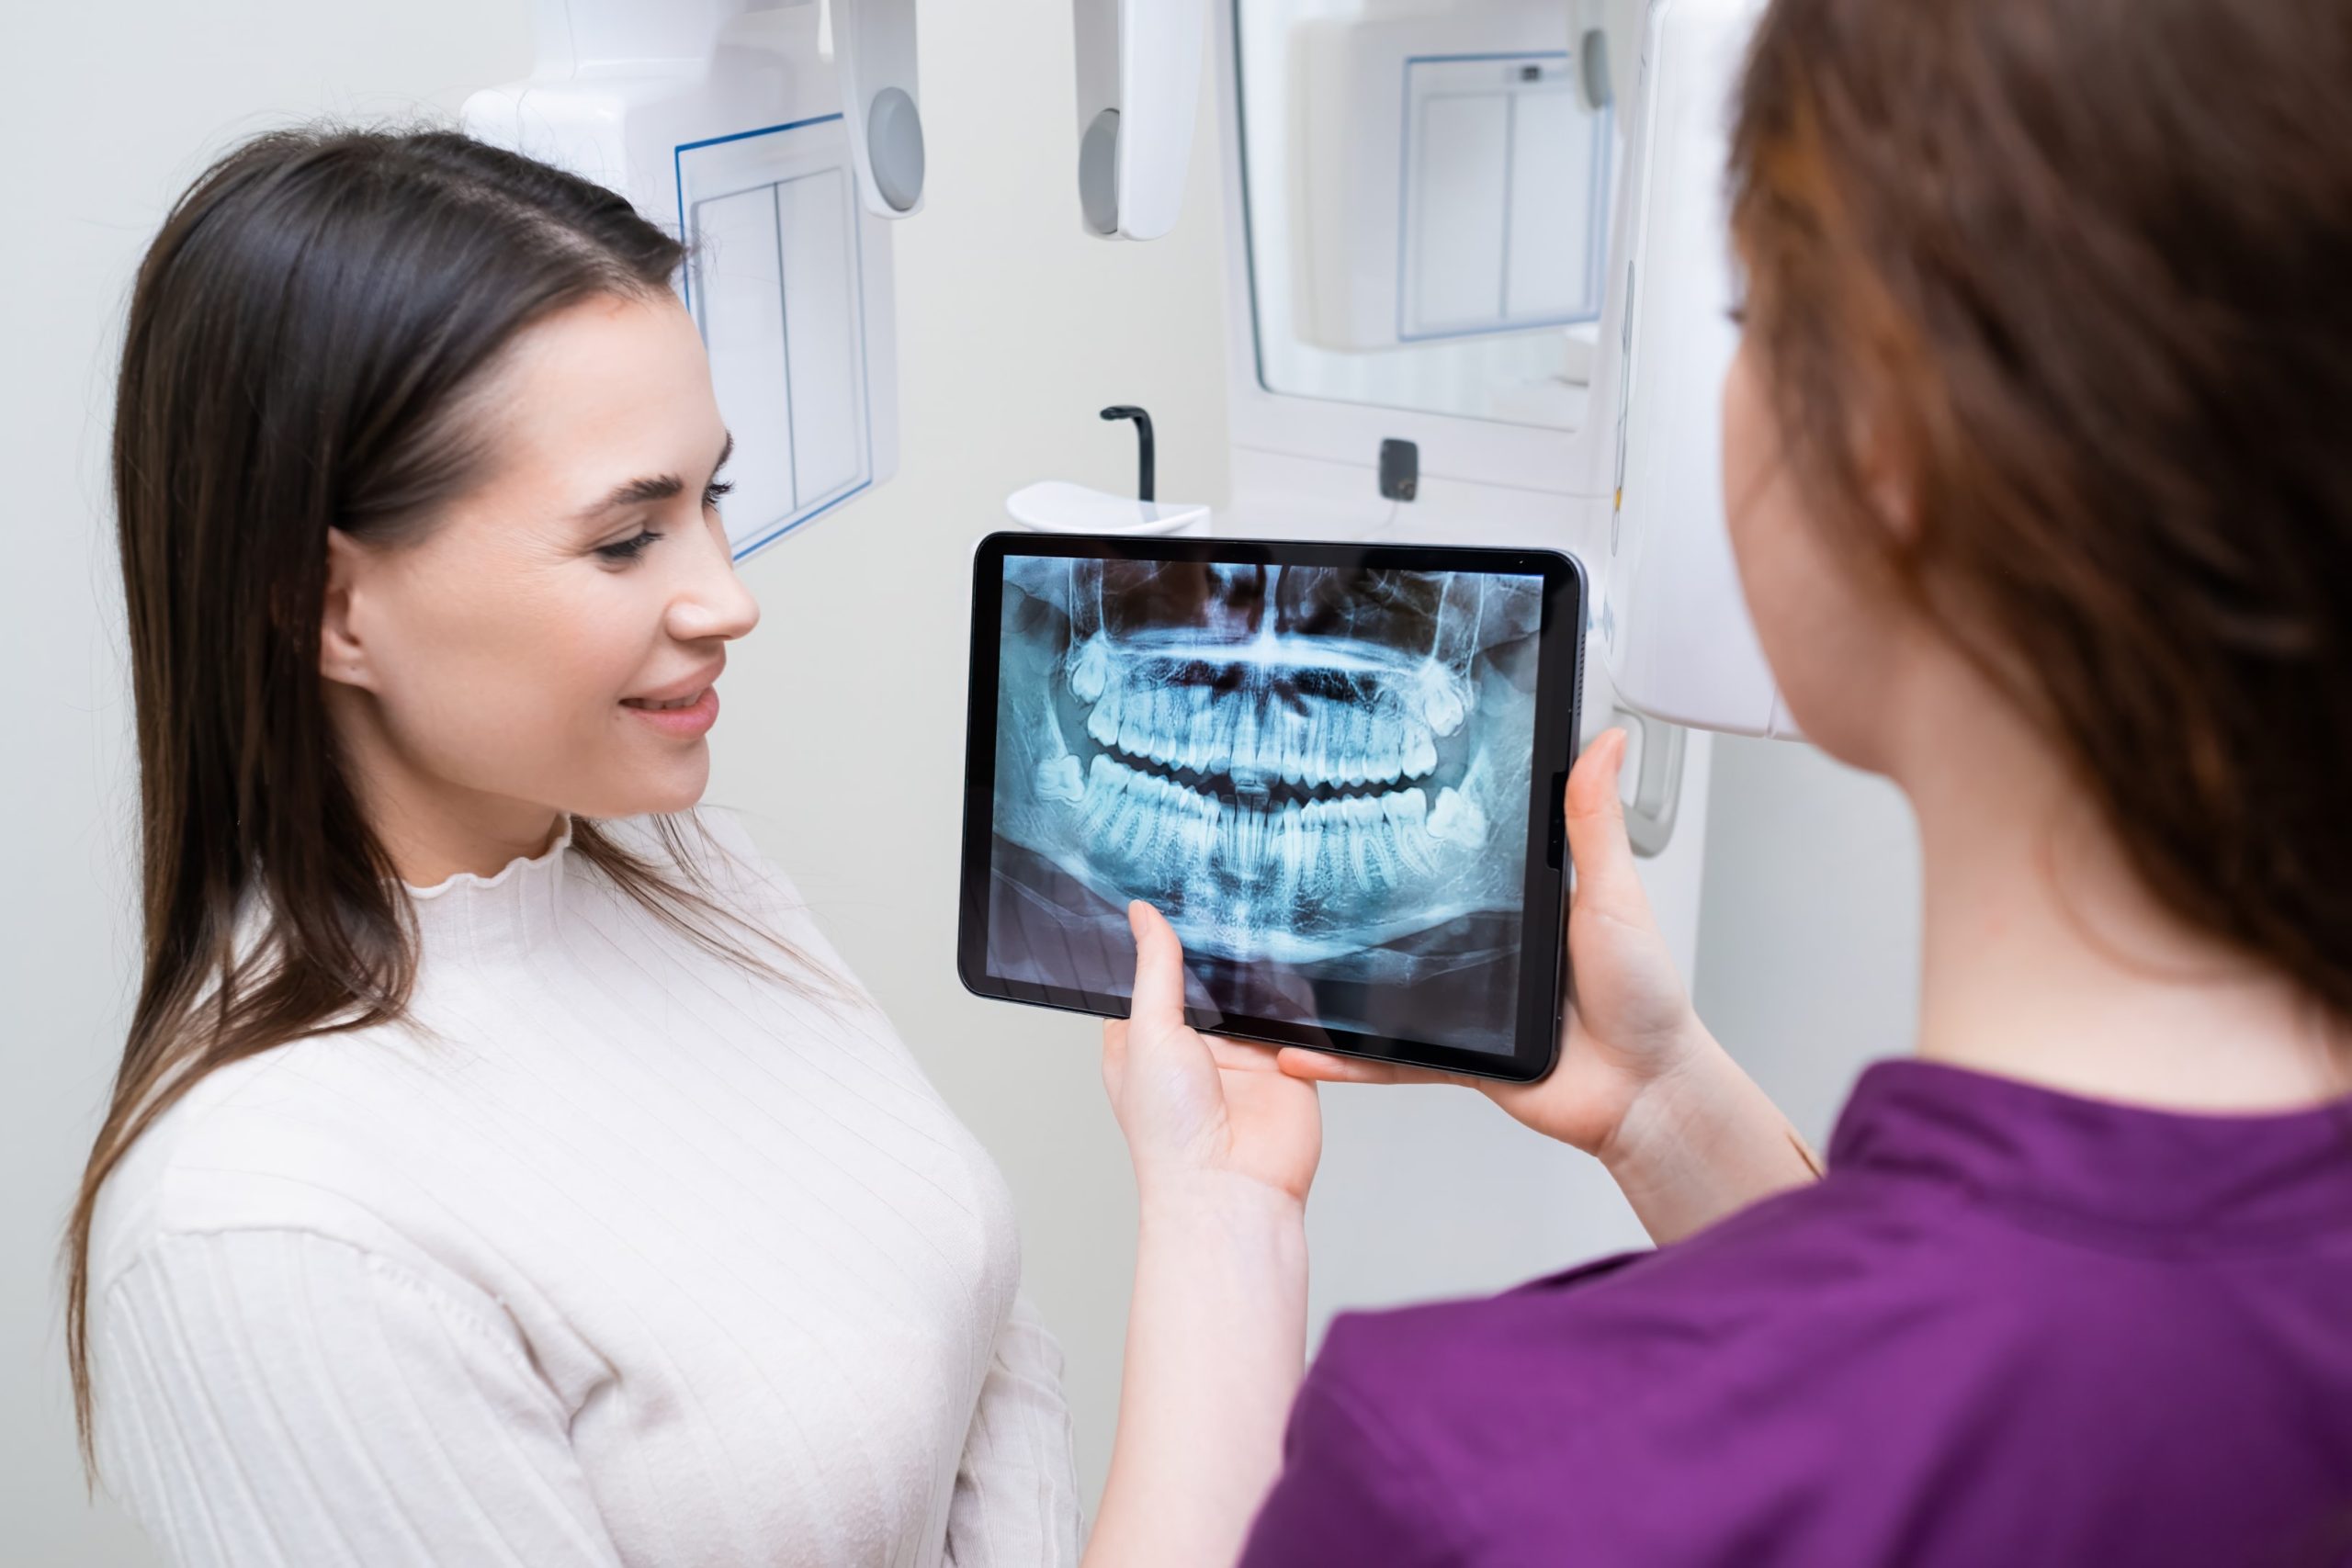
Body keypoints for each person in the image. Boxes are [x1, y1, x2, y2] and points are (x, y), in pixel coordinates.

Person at [1080, 0, 2352, 1562]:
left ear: (1885, 438)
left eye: (1752, 314)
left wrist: (1224, 1215)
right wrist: (1669, 1113)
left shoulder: (1480, 1480)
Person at [72, 130, 1080, 1566]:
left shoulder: (708, 885)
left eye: (709, 497)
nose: (725, 600)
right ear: (325, 604)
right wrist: (1226, 1233)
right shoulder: (271, 1233)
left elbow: (991, 1361)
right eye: (627, 540)